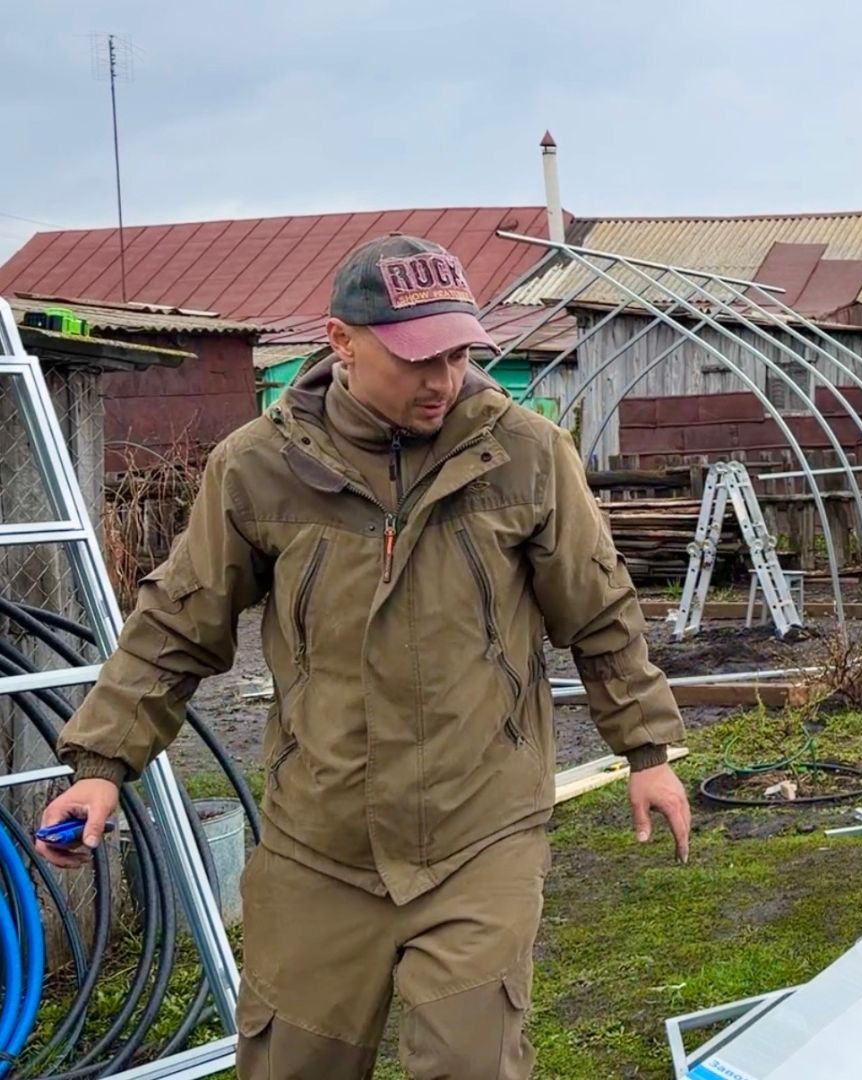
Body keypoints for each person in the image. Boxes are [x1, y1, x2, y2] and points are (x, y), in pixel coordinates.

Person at [34, 235, 691, 1078]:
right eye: (417, 358)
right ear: (342, 342)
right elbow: (176, 625)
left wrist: (646, 751)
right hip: (319, 840)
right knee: (293, 1064)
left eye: (458, 354)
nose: (443, 379)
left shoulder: (523, 456)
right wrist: (101, 764)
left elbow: (599, 612)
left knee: (470, 1063)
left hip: (478, 830)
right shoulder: (259, 468)